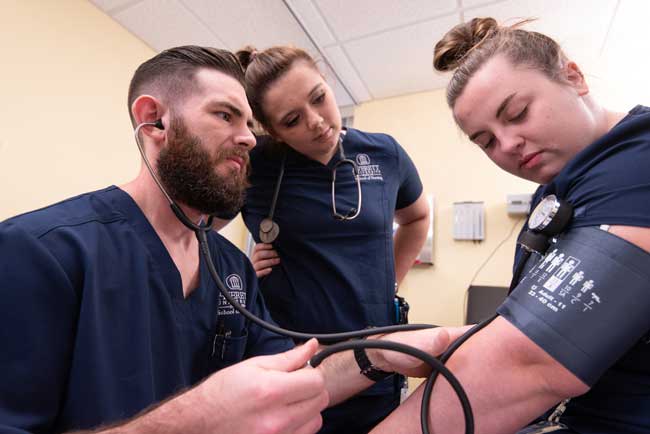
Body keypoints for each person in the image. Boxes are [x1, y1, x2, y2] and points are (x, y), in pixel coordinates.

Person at [0, 45, 460, 434]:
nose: (247, 139)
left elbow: (293, 376)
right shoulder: (39, 252)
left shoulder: (230, 270)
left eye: (248, 123)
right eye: (225, 115)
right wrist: (200, 418)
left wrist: (380, 351)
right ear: (154, 120)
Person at [370, 17, 650, 434]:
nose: (507, 145)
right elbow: (549, 320)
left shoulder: (639, 162)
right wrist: (440, 341)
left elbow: (530, 361)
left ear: (573, 77)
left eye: (517, 113)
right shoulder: (554, 197)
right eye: (486, 141)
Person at [232, 45, 431, 433]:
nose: (316, 122)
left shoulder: (384, 153)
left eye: (319, 98)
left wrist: (388, 284)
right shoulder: (257, 165)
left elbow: (417, 216)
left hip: (374, 358)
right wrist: (240, 272)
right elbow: (194, 228)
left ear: (327, 81)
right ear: (272, 131)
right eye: (292, 120)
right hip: (291, 363)